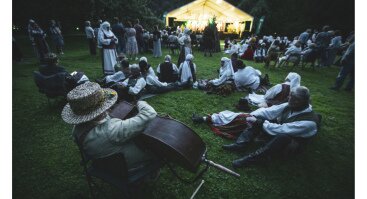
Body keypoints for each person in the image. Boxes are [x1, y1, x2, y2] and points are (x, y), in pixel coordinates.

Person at [61, 82, 159, 174]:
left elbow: (102, 122)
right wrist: (140, 102)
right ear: (101, 109)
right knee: (156, 147)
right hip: (126, 168)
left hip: (101, 164)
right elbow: (149, 114)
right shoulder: (111, 129)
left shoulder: (76, 129)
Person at [222, 86, 321, 168]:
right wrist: (252, 115)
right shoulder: (290, 104)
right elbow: (269, 111)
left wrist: (259, 122)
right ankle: (240, 144)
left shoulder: (309, 122)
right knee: (259, 117)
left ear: (304, 102)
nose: (291, 100)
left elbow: (282, 130)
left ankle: (254, 158)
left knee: (282, 136)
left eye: (296, 100)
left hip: (292, 143)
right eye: (290, 97)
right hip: (280, 130)